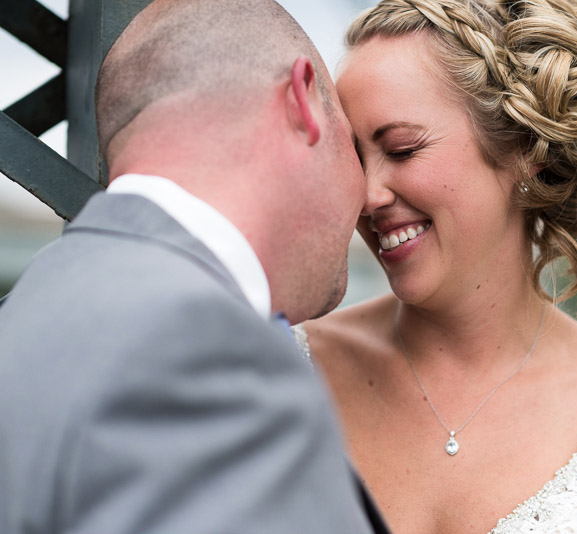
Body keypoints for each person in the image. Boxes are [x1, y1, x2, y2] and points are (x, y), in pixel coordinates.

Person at [297, 0, 577, 532]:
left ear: (528, 150)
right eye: (357, 159)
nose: (367, 195)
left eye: (403, 149)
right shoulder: (285, 371)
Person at [0, 1, 389, 533]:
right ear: (303, 102)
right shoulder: (206, 354)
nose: (368, 196)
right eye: (356, 151)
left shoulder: (36, 302)